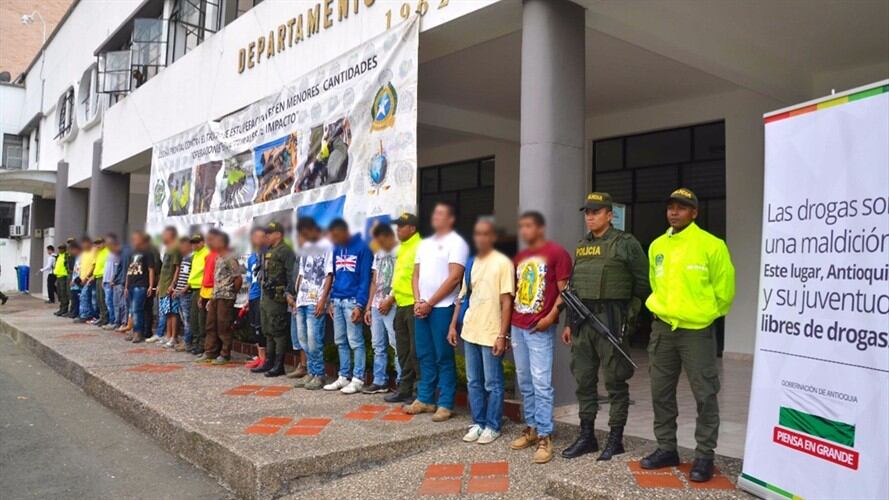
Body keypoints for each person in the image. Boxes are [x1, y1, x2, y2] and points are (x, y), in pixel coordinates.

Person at [639, 188, 735, 483]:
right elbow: (655, 284)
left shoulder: (711, 245)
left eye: (681, 208)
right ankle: (666, 448)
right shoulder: (657, 246)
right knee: (660, 393)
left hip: (697, 332)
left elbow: (725, 292)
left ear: (694, 213)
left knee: (705, 394)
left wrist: (703, 316)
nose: (674, 212)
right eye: (670, 207)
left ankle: (704, 454)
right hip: (663, 330)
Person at [560, 193, 650, 461]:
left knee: (615, 382)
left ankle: (615, 438)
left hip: (610, 321)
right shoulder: (582, 246)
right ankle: (587, 436)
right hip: (582, 323)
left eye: (596, 212)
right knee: (584, 380)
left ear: (610, 215)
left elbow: (643, 285)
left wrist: (629, 318)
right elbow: (573, 287)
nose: (590, 217)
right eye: (587, 212)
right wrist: (568, 323)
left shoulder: (626, 244)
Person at [509, 211, 572, 464]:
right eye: (521, 226)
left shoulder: (557, 253)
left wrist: (550, 318)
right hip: (518, 325)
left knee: (541, 383)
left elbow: (565, 292)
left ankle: (546, 435)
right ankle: (532, 428)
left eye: (529, 226)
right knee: (524, 381)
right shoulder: (521, 257)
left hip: (540, 328)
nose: (524, 231)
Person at [448, 218, 514, 444]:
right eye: (478, 234)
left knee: (492, 383)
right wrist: (453, 325)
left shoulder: (503, 263)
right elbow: (463, 296)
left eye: (486, 234)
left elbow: (507, 302)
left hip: (491, 332)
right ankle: (479, 422)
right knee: (473, 381)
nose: (481, 238)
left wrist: (502, 335)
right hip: (470, 330)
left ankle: (493, 425)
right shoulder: (471, 262)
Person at [405, 201, 469, 422]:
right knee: (424, 354)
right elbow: (415, 275)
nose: (435, 217)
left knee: (443, 356)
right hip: (423, 307)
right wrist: (418, 301)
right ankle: (425, 398)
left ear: (451, 219)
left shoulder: (457, 243)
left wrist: (430, 302)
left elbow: (454, 279)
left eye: (441, 213)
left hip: (442, 308)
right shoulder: (425, 244)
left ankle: (445, 402)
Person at [323, 218, 372, 394]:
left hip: (352, 301)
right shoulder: (337, 248)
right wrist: (330, 300)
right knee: (340, 341)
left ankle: (358, 379)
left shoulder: (363, 248)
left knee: (355, 341)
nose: (334, 239)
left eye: (336, 235)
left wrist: (360, 305)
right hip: (337, 300)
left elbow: (365, 279)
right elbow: (334, 276)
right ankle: (344, 376)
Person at [291, 217, 333, 390]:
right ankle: (311, 371)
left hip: (316, 300)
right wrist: (296, 298)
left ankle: (319, 374)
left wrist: (323, 300)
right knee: (303, 339)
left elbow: (329, 275)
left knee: (314, 339)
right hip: (302, 300)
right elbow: (301, 275)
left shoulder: (327, 247)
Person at [384, 213, 421, 404]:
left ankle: (419, 391)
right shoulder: (404, 248)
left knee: (416, 352)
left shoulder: (419, 246)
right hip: (400, 304)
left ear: (412, 229)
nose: (397, 229)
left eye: (401, 226)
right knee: (403, 350)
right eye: (397, 226)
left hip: (413, 306)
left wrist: (419, 301)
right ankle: (404, 389)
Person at [251, 222, 295, 377]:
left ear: (278, 234)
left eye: (269, 233)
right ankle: (269, 362)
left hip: (278, 296)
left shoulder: (285, 251)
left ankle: (279, 364)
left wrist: (289, 293)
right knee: (267, 330)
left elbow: (291, 274)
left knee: (278, 330)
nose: (267, 236)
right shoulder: (268, 251)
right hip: (266, 296)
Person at [363, 222, 400, 394]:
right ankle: (380, 381)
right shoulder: (378, 252)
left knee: (396, 344)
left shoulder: (399, 251)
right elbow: (374, 281)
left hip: (393, 304)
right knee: (378, 344)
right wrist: (369, 306)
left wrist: (390, 300)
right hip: (377, 304)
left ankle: (401, 382)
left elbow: (402, 278)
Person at [196, 231, 242, 364]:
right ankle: (210, 351)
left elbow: (237, 278)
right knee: (210, 324)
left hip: (226, 296)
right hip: (215, 295)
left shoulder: (230, 257)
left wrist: (232, 293)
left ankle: (225, 354)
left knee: (223, 325)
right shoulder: (218, 257)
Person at [148, 227, 181, 345]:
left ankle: (173, 337)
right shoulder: (167, 249)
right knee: (166, 312)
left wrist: (172, 284)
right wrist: (159, 285)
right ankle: (167, 335)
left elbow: (177, 267)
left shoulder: (176, 248)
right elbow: (163, 269)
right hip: (163, 285)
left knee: (173, 312)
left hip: (170, 286)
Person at [124, 232, 156, 343]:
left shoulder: (147, 253)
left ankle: (139, 332)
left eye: (136, 239)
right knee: (132, 310)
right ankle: (133, 330)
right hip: (131, 284)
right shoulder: (131, 254)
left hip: (141, 285)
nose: (134, 241)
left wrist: (151, 286)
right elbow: (129, 270)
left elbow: (151, 269)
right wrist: (126, 286)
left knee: (137, 309)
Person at [244, 228, 268, 368]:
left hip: (261, 296)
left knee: (260, 328)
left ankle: (265, 358)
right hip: (253, 296)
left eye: (259, 237)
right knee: (254, 328)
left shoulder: (265, 254)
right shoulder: (252, 257)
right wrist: (247, 299)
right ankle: (259, 357)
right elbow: (249, 280)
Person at [187, 234, 210, 354]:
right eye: (192, 243)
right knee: (194, 318)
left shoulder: (206, 254)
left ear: (203, 242)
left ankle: (202, 345)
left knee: (201, 319)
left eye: (196, 242)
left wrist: (202, 291)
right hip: (194, 288)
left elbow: (206, 273)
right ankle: (196, 343)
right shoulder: (195, 254)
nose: (193, 245)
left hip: (202, 289)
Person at [170, 236, 194, 350]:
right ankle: (185, 340)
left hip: (187, 293)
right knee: (183, 317)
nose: (181, 248)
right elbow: (181, 276)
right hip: (180, 292)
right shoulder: (184, 258)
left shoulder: (193, 258)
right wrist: (176, 289)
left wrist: (185, 288)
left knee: (187, 318)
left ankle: (187, 342)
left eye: (183, 245)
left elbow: (192, 276)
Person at [75, 237, 97, 323]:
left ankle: (86, 315)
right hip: (82, 278)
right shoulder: (84, 252)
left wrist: (87, 277)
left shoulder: (94, 251)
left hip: (88, 279)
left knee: (85, 296)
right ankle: (85, 314)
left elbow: (93, 265)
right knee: (84, 297)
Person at [100, 235, 120, 329]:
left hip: (111, 282)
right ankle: (111, 320)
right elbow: (106, 269)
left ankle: (114, 321)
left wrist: (112, 279)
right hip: (106, 281)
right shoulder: (108, 254)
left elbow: (116, 269)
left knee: (112, 302)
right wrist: (103, 280)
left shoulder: (116, 254)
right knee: (108, 302)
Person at [92, 238, 110, 326]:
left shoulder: (107, 252)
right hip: (97, 276)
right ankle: (102, 316)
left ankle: (105, 318)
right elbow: (97, 265)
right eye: (96, 244)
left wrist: (105, 278)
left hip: (103, 277)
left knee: (103, 298)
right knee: (99, 298)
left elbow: (107, 267)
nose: (97, 246)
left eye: (99, 243)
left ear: (104, 243)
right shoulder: (99, 253)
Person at [53, 244, 69, 316]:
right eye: (59, 248)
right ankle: (61, 308)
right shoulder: (59, 256)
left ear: (65, 249)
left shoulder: (66, 256)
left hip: (64, 276)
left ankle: (64, 309)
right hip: (58, 276)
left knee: (63, 293)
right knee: (59, 293)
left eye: (62, 248)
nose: (60, 250)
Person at [66, 243, 82, 318]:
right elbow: (75, 270)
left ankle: (76, 312)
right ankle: (73, 311)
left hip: (78, 281)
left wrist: (75, 280)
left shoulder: (81, 257)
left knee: (77, 298)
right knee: (73, 297)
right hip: (74, 281)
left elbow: (80, 270)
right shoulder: (76, 257)